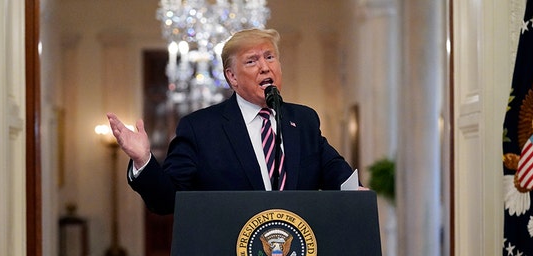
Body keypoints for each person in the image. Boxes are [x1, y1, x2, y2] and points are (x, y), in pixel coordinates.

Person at [107, 28, 360, 215]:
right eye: (252, 61)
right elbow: (167, 201)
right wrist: (143, 160)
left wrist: (357, 194)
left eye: (270, 57)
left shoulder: (303, 120)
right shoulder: (200, 128)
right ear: (232, 77)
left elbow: (334, 172)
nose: (264, 67)